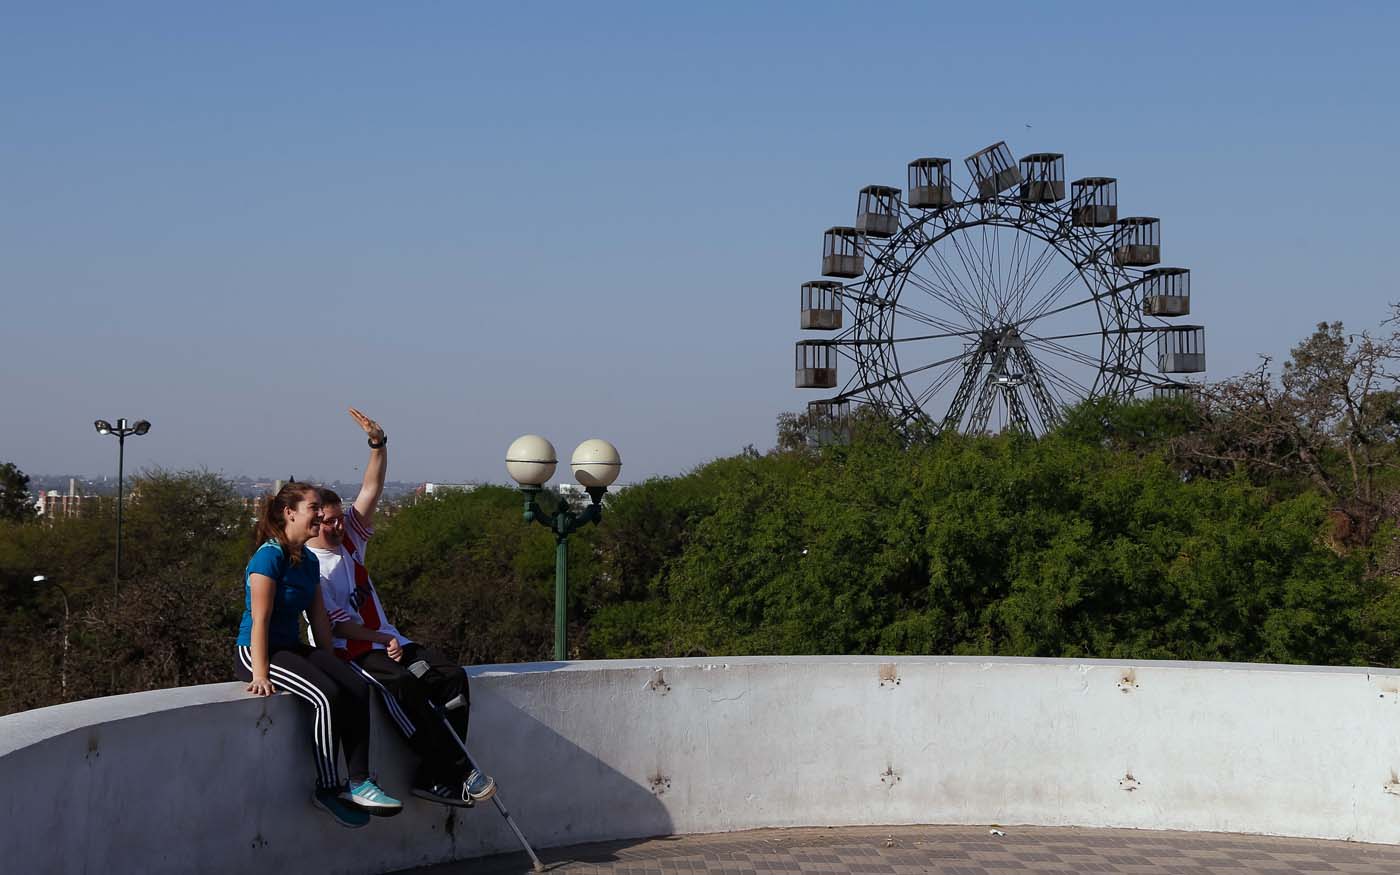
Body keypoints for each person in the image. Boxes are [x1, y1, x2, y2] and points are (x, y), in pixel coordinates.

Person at [307, 407, 496, 809]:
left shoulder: (351, 543)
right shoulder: (313, 569)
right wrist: (379, 639)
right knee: (404, 688)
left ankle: (434, 775)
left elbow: (371, 489)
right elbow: (338, 628)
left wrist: (378, 444)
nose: (338, 527)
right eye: (329, 523)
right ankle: (460, 770)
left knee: (450, 677)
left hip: (388, 641)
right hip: (357, 653)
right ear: (312, 523)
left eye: (340, 520)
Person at [235, 480, 403, 829]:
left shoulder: (308, 560)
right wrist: (261, 674)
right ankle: (328, 788)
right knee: (325, 696)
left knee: (356, 687)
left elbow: (319, 621)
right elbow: (260, 621)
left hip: (291, 646)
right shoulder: (268, 557)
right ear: (289, 513)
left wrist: (332, 661)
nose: (319, 515)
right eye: (313, 509)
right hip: (256, 651)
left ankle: (360, 783)